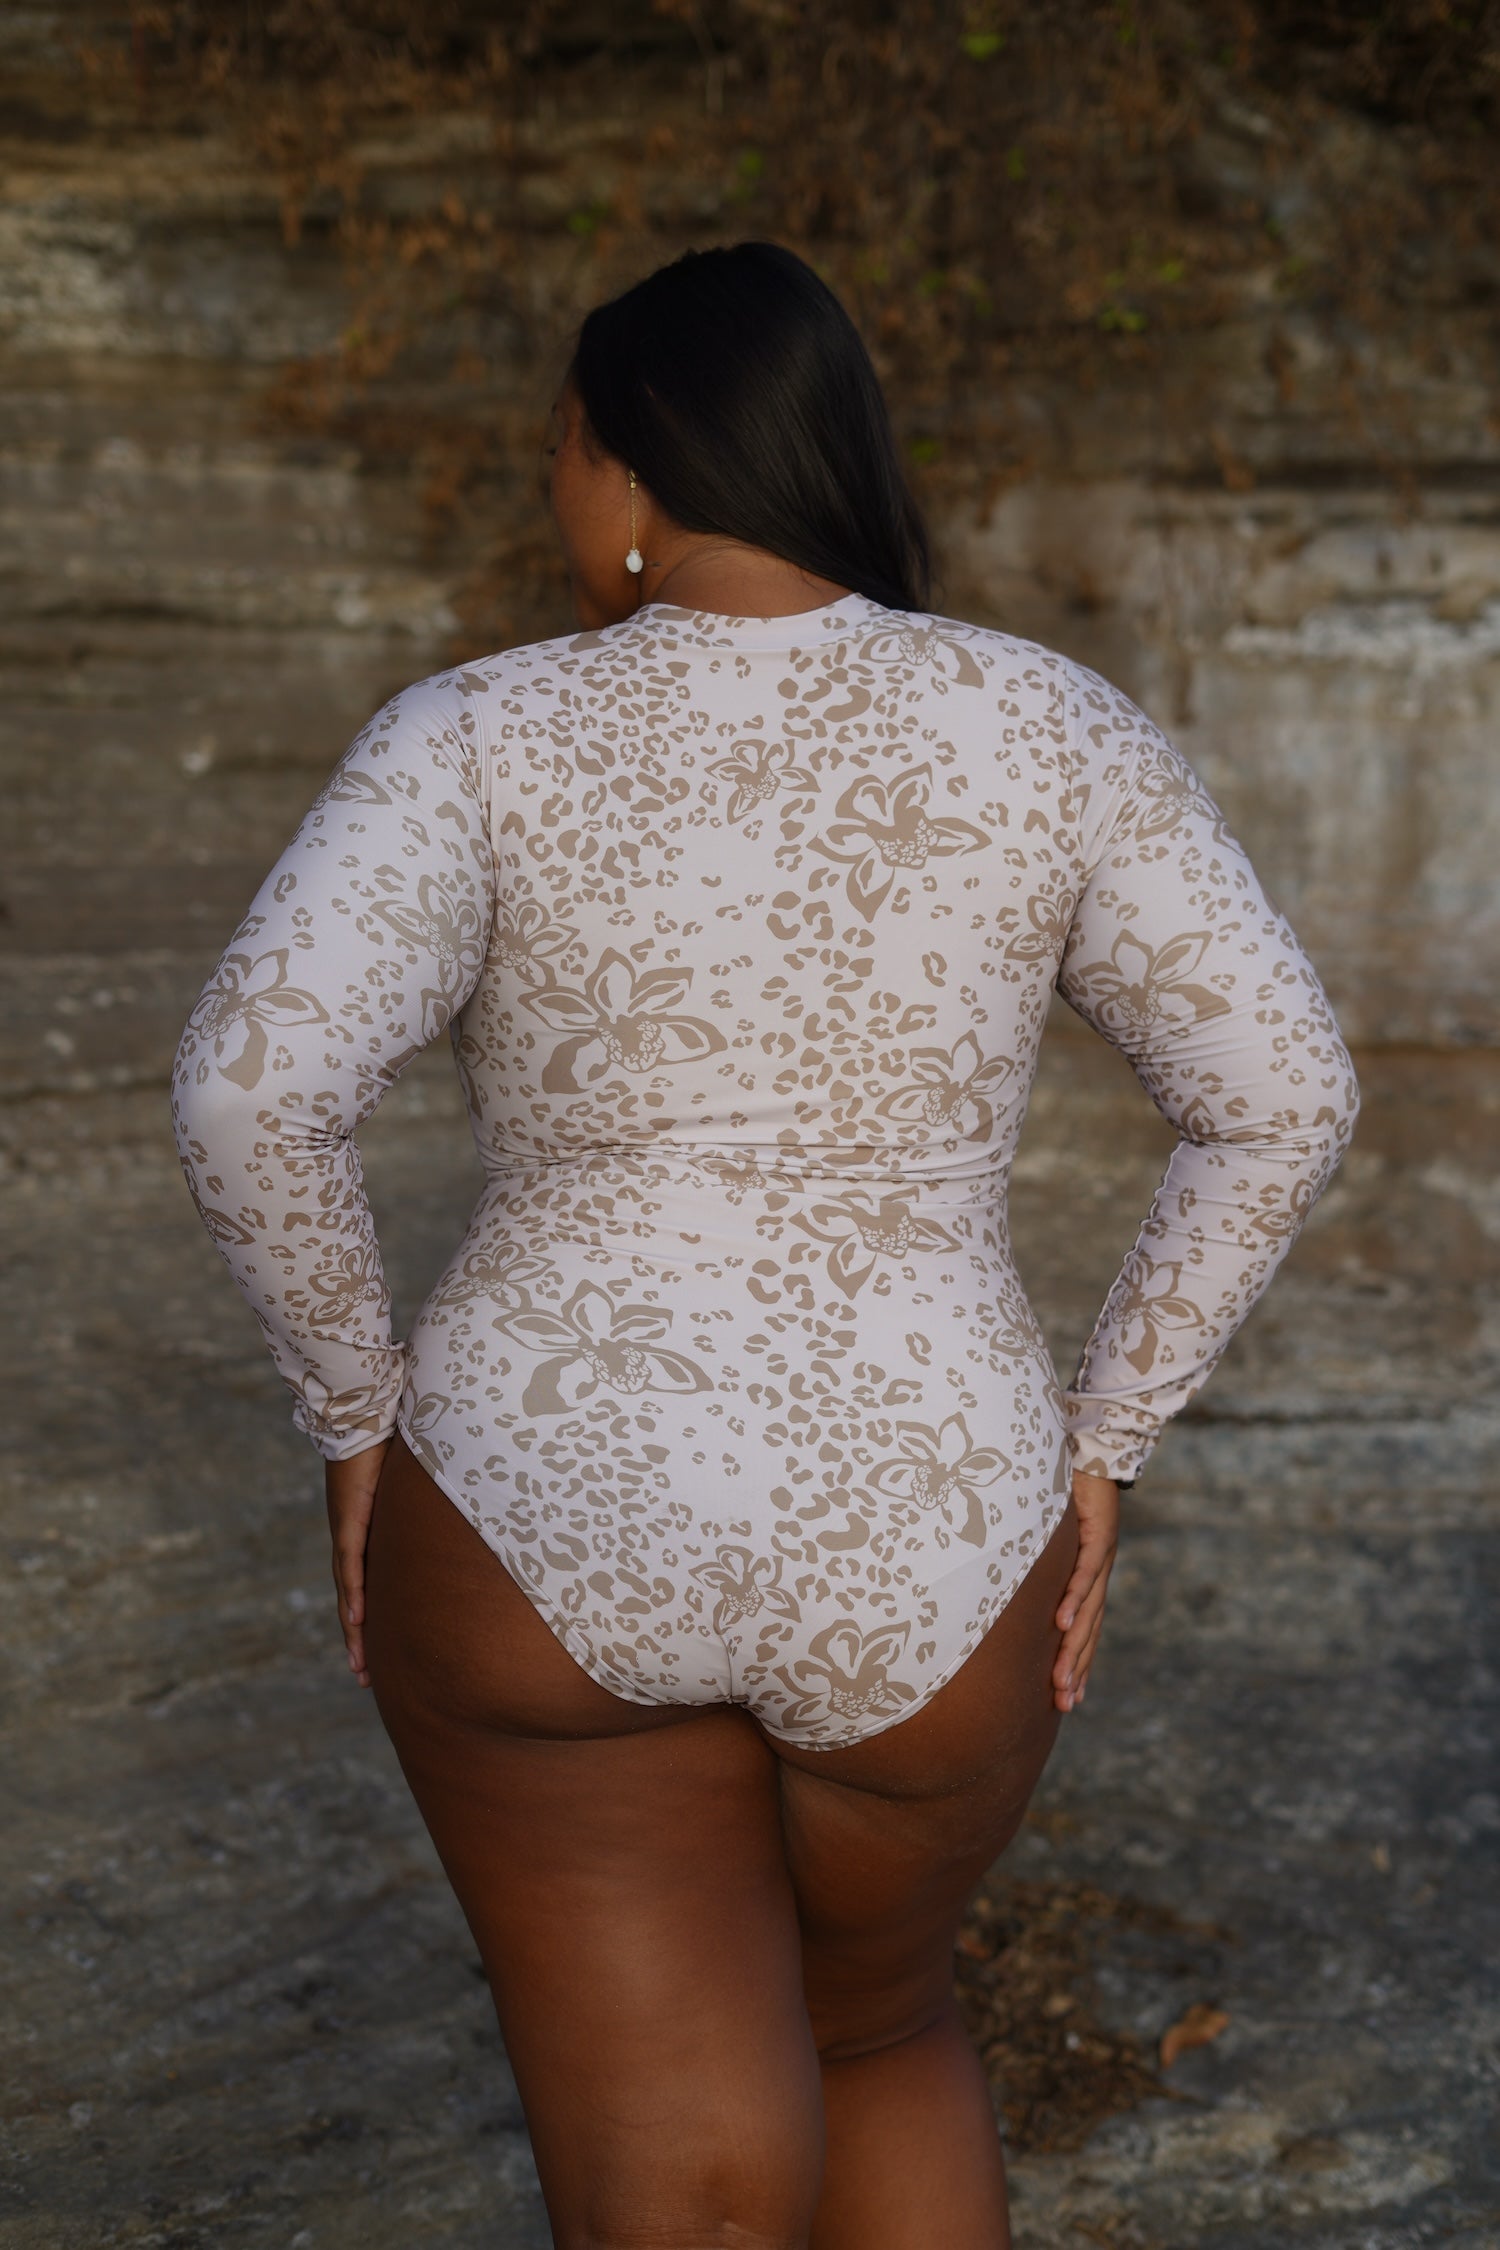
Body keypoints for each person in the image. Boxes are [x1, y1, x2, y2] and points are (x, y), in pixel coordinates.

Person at [171, 239, 1361, 2248]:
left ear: (632, 466)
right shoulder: (1049, 724)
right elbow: (1288, 1095)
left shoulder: (474, 731)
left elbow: (244, 1093)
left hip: (548, 1496)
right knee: (875, 2028)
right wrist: (1105, 1439)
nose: (557, 496)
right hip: (934, 1520)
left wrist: (354, 1414)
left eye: (562, 453)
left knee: (684, 2167)